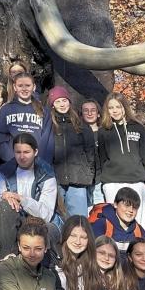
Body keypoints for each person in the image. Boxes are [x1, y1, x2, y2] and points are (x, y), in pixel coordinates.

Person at [0, 133, 61, 258]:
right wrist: (4, 199)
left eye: (26, 152)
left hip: (42, 222)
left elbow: (46, 214)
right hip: (12, 221)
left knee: (44, 233)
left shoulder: (47, 174)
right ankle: (7, 259)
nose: (22, 157)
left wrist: (21, 199)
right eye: (18, 152)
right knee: (3, 206)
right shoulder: (5, 172)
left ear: (36, 152)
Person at [99, 92, 145, 226]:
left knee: (137, 220)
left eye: (118, 106)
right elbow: (101, 157)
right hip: (112, 182)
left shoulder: (138, 128)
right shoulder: (104, 131)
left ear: (125, 107)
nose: (115, 110)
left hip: (136, 180)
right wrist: (102, 179)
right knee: (114, 221)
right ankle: (116, 247)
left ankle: (139, 246)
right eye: (111, 108)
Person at [47, 86, 96, 217]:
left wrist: (88, 173)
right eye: (57, 101)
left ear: (69, 101)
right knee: (56, 220)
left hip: (78, 180)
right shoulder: (48, 126)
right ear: (52, 105)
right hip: (55, 179)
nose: (62, 104)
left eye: (64, 100)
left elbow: (90, 153)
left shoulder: (81, 126)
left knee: (79, 221)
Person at [0, 73, 52, 165]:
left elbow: (47, 141)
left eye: (28, 85)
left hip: (36, 165)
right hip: (11, 164)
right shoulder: (6, 110)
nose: (24, 89)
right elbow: (0, 138)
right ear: (14, 87)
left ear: (34, 87)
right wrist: (13, 159)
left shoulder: (44, 111)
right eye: (20, 86)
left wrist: (38, 162)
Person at [91, 186, 145, 254]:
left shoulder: (139, 231)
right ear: (115, 204)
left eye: (134, 207)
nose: (130, 210)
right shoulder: (101, 224)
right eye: (126, 205)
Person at [81, 98, 105, 205]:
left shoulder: (104, 133)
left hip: (100, 181)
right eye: (86, 110)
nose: (89, 113)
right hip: (83, 181)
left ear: (98, 113)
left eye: (93, 110)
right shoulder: (77, 134)